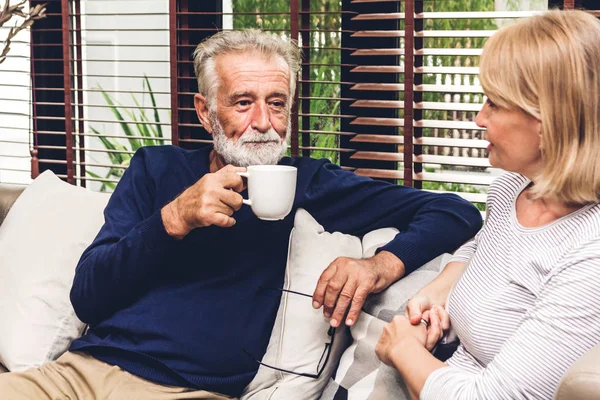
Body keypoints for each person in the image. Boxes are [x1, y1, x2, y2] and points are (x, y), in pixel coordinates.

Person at [0, 29, 481, 399]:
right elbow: (87, 297)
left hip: (192, 391)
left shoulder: (308, 183)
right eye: (243, 103)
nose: (265, 124)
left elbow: (455, 210)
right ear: (206, 113)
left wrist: (379, 264)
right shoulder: (156, 168)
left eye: (277, 104)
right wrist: (172, 220)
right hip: (74, 376)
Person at [375, 9, 600, 400]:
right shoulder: (513, 188)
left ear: (548, 120)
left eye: (494, 103)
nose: (479, 118)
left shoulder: (589, 253)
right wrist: (437, 291)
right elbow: (481, 247)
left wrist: (402, 347)